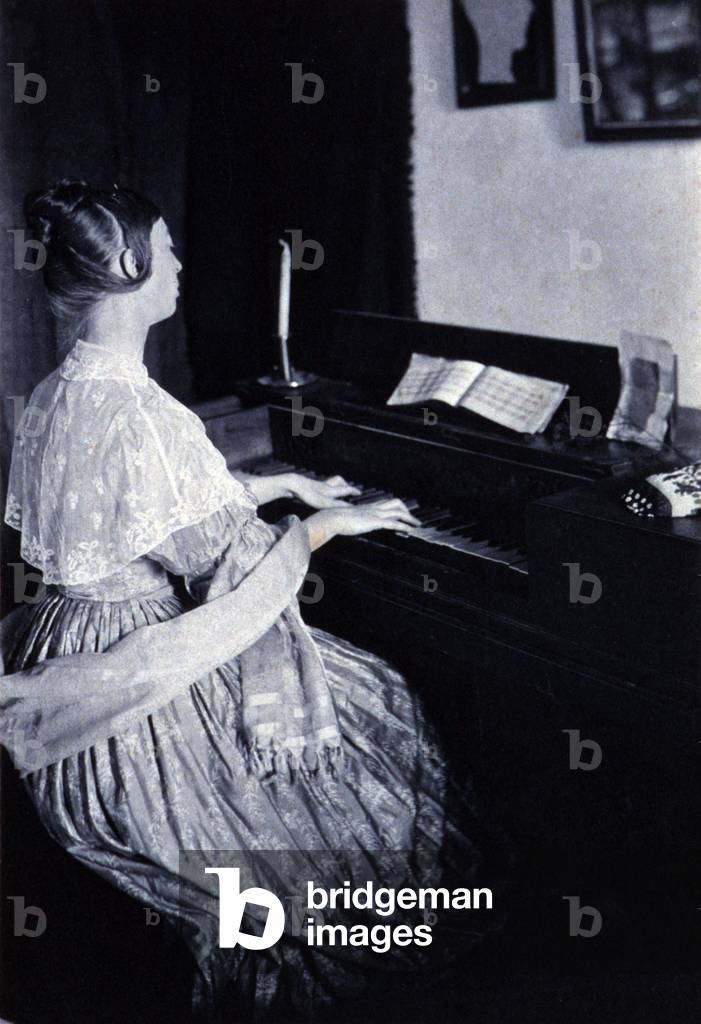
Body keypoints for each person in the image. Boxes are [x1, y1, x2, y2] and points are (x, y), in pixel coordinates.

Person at [3, 180, 493, 1020]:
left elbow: (144, 506)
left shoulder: (60, 390)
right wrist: (331, 520)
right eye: (169, 246)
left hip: (58, 645)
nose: (183, 262)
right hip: (134, 690)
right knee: (382, 706)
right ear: (130, 264)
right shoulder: (144, 412)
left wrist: (283, 478)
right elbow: (238, 567)